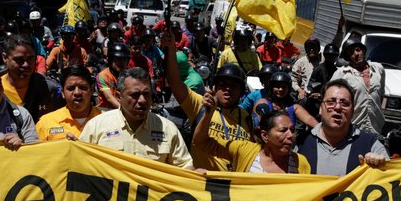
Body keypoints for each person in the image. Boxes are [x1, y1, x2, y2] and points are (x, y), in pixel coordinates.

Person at [163, 30, 252, 171]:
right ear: (215, 87)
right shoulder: (200, 104)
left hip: (233, 186)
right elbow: (174, 82)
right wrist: (170, 48)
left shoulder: (247, 118)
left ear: (241, 91)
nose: (228, 89)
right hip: (203, 183)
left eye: (234, 86)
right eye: (223, 85)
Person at [79, 67, 193, 168]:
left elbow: (184, 167)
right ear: (119, 96)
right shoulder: (96, 127)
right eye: (135, 95)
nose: (142, 100)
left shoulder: (168, 129)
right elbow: (79, 163)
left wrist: (197, 174)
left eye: (146, 94)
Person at [294, 79, 388, 175]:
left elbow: (390, 179)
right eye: (331, 102)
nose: (337, 107)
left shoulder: (371, 145)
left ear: (352, 112)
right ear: (320, 109)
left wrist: (381, 167)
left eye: (344, 104)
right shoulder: (300, 143)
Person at [194, 101, 310, 174]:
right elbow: (201, 142)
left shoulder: (301, 163)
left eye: (292, 130)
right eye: (283, 130)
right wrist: (208, 114)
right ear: (265, 136)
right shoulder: (244, 150)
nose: (290, 136)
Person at [332, 36, 385, 135]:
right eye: (351, 52)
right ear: (348, 57)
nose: (356, 54)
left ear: (363, 51)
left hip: (375, 127)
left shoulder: (378, 69)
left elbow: (381, 95)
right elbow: (331, 98)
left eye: (358, 50)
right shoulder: (342, 73)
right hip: (352, 126)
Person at [36, 65, 102, 141]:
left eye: (83, 87)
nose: (77, 93)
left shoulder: (107, 120)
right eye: (71, 88)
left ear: (92, 90)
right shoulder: (46, 123)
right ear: (63, 93)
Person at [1, 34, 52, 121]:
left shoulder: (49, 89)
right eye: (19, 60)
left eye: (30, 58)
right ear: (5, 58)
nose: (26, 65)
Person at [252, 71, 318, 130]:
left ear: (288, 89)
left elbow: (309, 119)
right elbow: (256, 126)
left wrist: (321, 130)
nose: (280, 89)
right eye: (277, 86)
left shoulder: (294, 107)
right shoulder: (262, 103)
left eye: (284, 87)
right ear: (271, 88)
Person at [96, 42, 131, 110]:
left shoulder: (130, 75)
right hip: (106, 110)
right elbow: (109, 98)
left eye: (124, 59)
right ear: (110, 60)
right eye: (118, 59)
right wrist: (125, 111)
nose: (121, 62)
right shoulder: (102, 76)